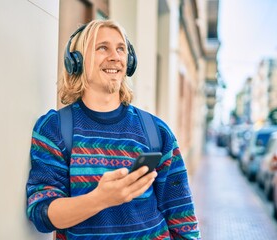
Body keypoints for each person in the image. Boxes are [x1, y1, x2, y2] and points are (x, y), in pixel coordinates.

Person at [26, 19, 201, 239]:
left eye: (121, 49)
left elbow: (182, 217)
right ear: (76, 61)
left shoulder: (156, 130)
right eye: (102, 48)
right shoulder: (55, 129)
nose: (115, 57)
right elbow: (41, 213)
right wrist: (101, 199)